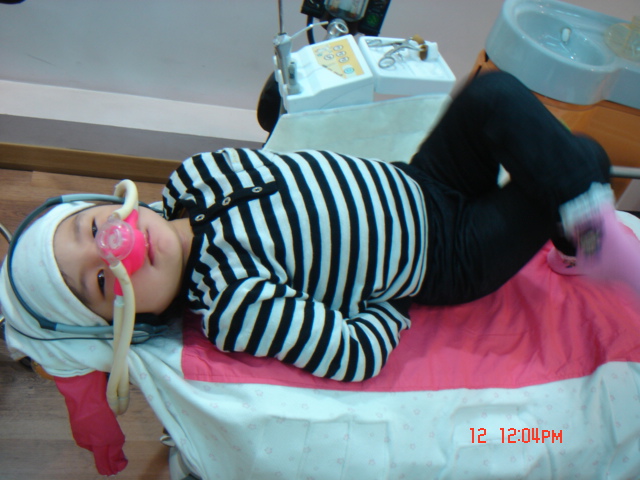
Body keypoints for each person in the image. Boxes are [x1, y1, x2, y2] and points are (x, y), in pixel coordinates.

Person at [2, 72, 640, 383]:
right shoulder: (231, 304)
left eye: (96, 231)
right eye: (102, 284)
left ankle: (574, 231)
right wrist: (393, 292)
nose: (119, 253)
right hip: (444, 256)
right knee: (582, 163)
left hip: (422, 183)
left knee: (490, 95)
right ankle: (586, 241)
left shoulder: (195, 175)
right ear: (129, 324)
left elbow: (301, 170)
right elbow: (355, 355)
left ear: (111, 204)